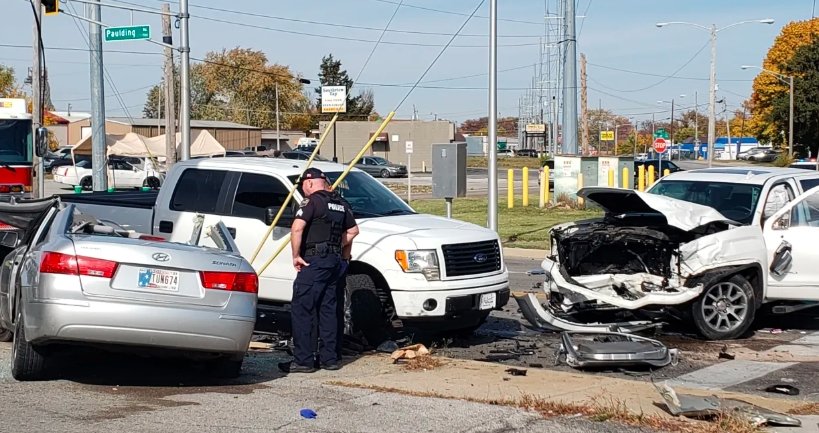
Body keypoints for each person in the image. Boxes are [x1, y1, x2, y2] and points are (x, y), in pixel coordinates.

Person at [280, 167, 359, 373]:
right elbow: (353, 230)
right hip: (334, 262)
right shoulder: (340, 203)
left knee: (302, 308)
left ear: (310, 183)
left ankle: (303, 361)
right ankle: (329, 359)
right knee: (328, 310)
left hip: (315, 261)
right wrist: (337, 249)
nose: (304, 190)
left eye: (304, 186)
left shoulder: (312, 202)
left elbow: (297, 228)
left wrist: (296, 255)